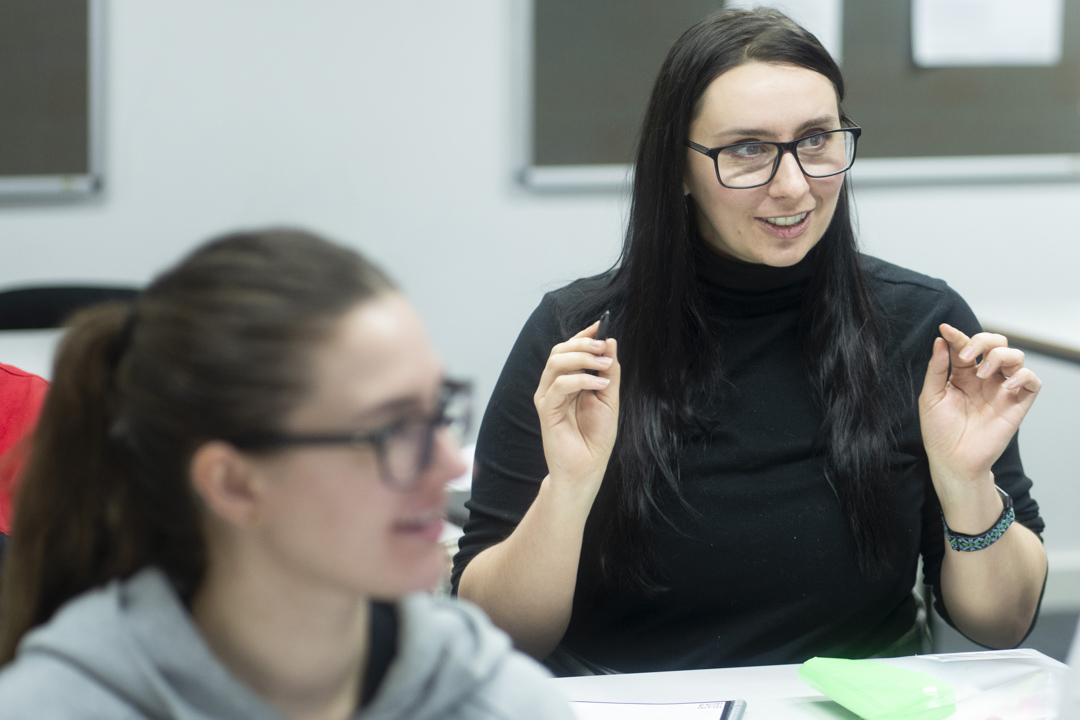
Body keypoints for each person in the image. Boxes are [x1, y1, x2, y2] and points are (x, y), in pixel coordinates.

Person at [452, 8, 1047, 675]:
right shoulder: (583, 339)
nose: (793, 186)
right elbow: (497, 637)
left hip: (852, 706)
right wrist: (567, 490)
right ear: (677, 167)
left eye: (816, 139)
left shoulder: (922, 327)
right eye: (746, 149)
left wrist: (968, 485)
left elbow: (1003, 623)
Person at [0, 230, 575, 720]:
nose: (450, 463)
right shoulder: (59, 705)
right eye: (388, 430)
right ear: (232, 483)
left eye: (438, 411)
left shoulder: (492, 696)